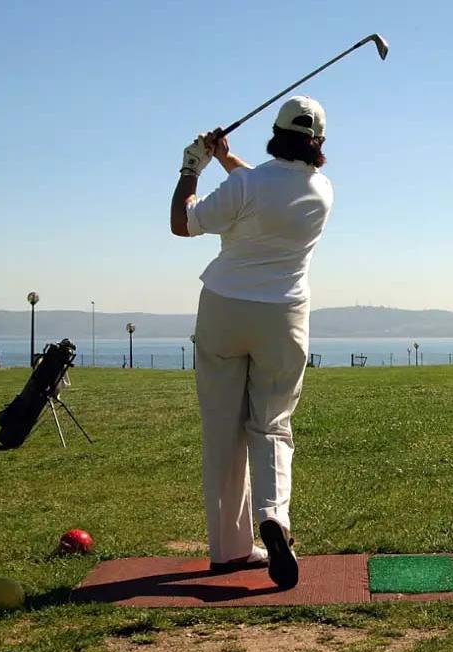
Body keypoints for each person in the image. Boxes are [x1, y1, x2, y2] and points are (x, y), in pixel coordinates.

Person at [169, 96, 333, 590]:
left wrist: (191, 169)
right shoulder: (322, 190)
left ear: (276, 134)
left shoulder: (244, 185)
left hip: (223, 308)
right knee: (272, 425)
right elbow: (263, 185)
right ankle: (274, 519)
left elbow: (183, 222)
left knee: (223, 429)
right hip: (284, 316)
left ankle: (229, 550)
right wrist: (224, 156)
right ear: (317, 143)